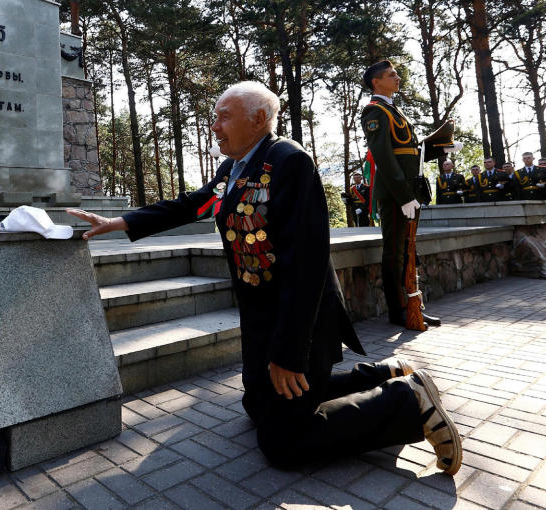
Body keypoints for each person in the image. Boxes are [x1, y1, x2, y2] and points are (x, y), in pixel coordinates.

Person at [67, 81, 462, 474]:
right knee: (257, 406)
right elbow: (192, 204)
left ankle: (407, 401)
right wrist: (116, 222)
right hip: (260, 319)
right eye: (214, 117)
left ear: (258, 120)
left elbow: (305, 267)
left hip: (299, 320)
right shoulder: (233, 169)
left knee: (282, 443)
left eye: (224, 117)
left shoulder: (289, 162)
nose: (214, 126)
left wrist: (288, 354)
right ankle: (383, 372)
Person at [360, 60, 453, 328]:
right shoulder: (375, 112)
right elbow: (384, 157)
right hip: (395, 194)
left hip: (409, 191)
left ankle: (413, 303)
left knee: (408, 250)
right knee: (395, 252)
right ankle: (398, 310)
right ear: (376, 82)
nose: (398, 78)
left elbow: (412, 151)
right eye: (392, 75)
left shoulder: (394, 110)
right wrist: (403, 196)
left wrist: (442, 149)